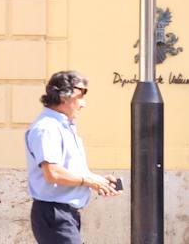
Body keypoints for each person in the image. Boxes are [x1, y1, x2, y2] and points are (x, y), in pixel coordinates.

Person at [25, 71, 121, 243]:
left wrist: (98, 181)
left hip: (63, 214)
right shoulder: (47, 128)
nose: (84, 104)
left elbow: (69, 169)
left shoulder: (63, 126)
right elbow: (53, 173)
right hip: (54, 213)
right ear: (64, 97)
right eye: (81, 96)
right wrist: (89, 181)